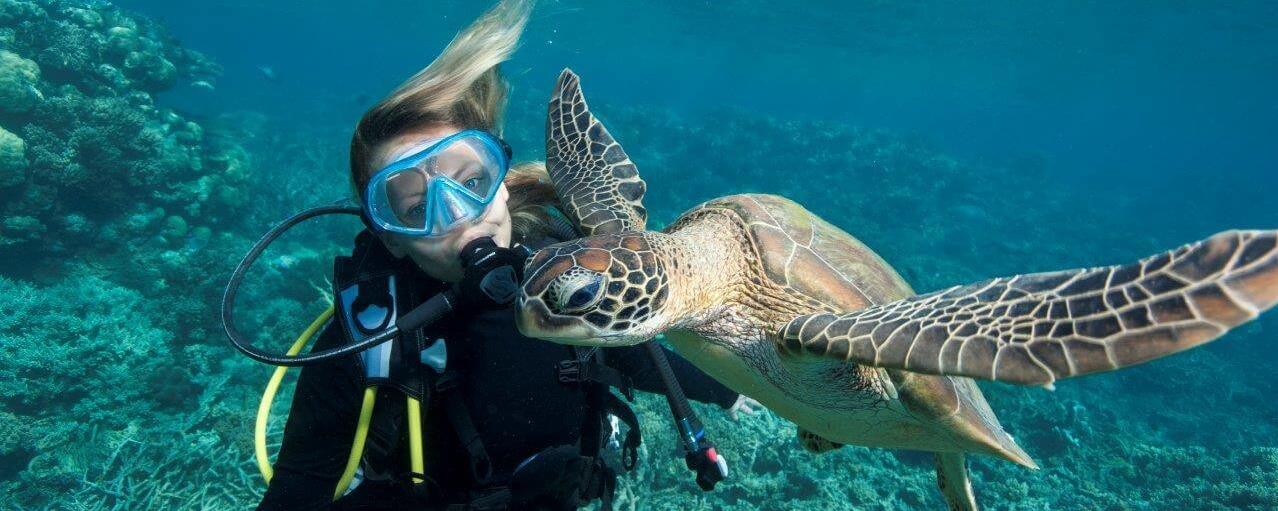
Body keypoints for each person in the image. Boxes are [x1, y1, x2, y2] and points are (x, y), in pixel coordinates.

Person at [256, 2, 757, 510]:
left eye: (473, 182)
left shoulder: (567, 265)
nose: (456, 215)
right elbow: (299, 486)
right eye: (415, 207)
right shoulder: (372, 334)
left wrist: (730, 390)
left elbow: (626, 348)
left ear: (503, 180)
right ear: (389, 237)